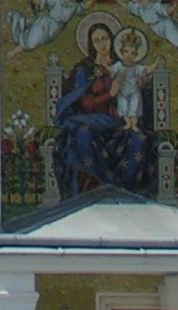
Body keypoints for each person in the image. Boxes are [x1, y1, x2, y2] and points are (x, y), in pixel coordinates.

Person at [52, 19, 151, 200]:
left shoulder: (123, 66)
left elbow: (136, 94)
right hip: (92, 122)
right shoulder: (84, 70)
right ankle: (98, 190)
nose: (102, 44)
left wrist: (140, 86)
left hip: (120, 122)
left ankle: (125, 194)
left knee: (140, 139)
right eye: (97, 40)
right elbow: (86, 104)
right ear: (91, 43)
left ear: (112, 40)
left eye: (105, 38)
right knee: (83, 135)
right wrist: (110, 94)